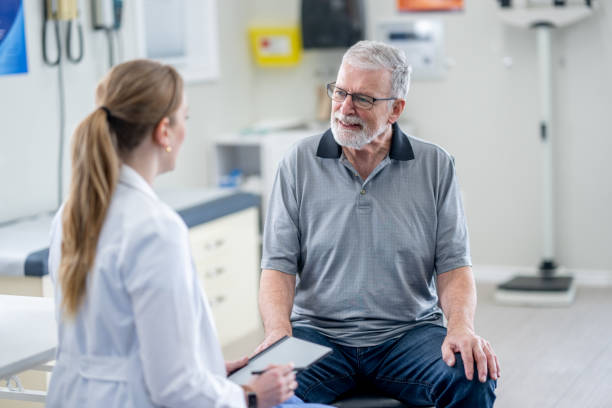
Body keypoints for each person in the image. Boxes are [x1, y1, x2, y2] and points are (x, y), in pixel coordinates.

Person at [257, 41, 499, 407]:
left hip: (409, 334)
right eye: (340, 92)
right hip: (318, 335)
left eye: (363, 99)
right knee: (259, 388)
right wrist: (277, 331)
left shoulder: (435, 166)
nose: (344, 108)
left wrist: (460, 328)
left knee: (472, 375)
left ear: (395, 109)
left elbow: (453, 265)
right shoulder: (297, 163)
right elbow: (278, 266)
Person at [46, 59, 299, 408]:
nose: (185, 130)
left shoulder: (70, 213)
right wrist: (251, 395)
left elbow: (121, 351)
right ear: (164, 131)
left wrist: (209, 372)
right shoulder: (155, 229)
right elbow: (175, 389)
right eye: (185, 118)